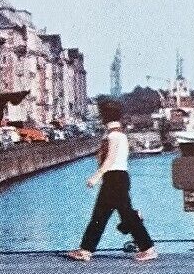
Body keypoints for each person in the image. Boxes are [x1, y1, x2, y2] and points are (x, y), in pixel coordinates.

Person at [64, 99, 158, 263]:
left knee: (111, 216)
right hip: (119, 177)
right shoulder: (121, 135)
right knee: (103, 215)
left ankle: (147, 248)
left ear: (104, 118)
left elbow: (110, 159)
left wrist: (96, 176)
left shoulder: (114, 136)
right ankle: (86, 249)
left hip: (114, 178)